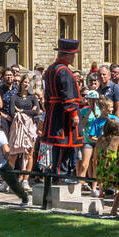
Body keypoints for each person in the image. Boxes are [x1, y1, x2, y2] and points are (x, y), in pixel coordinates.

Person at [41, 38, 86, 183]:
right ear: (67, 55)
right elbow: (67, 94)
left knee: (60, 145)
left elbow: (47, 93)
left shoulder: (51, 69)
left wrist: (48, 107)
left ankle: (58, 173)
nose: (73, 58)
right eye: (73, 55)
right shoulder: (64, 71)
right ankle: (61, 175)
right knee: (64, 145)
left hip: (55, 110)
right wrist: (73, 114)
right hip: (64, 113)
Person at [92, 117, 119, 216]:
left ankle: (101, 194)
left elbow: (95, 158)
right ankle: (114, 210)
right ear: (116, 128)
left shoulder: (99, 139)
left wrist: (96, 171)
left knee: (105, 187)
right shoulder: (118, 140)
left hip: (102, 171)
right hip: (113, 170)